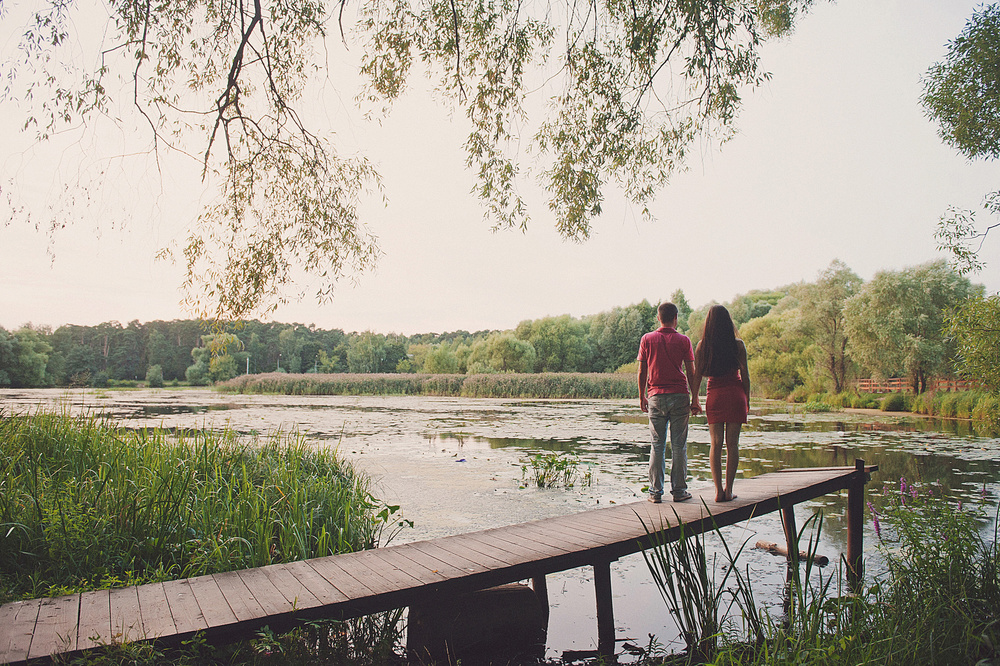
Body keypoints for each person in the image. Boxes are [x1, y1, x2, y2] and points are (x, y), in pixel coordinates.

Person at [638, 302, 701, 503]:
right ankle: (680, 491)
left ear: (658, 318)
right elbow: (691, 371)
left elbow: (642, 371)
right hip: (680, 396)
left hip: (656, 396)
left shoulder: (647, 339)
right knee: (679, 445)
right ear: (676, 318)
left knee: (657, 445)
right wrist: (696, 398)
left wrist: (642, 396)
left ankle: (655, 493)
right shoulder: (684, 341)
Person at [693, 305, 750, 503]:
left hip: (714, 395)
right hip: (735, 394)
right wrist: (747, 399)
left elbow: (696, 376)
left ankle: (718, 491)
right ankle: (729, 489)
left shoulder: (702, 346)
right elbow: (745, 376)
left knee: (715, 443)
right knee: (732, 443)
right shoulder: (738, 345)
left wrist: (694, 399)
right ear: (728, 322)